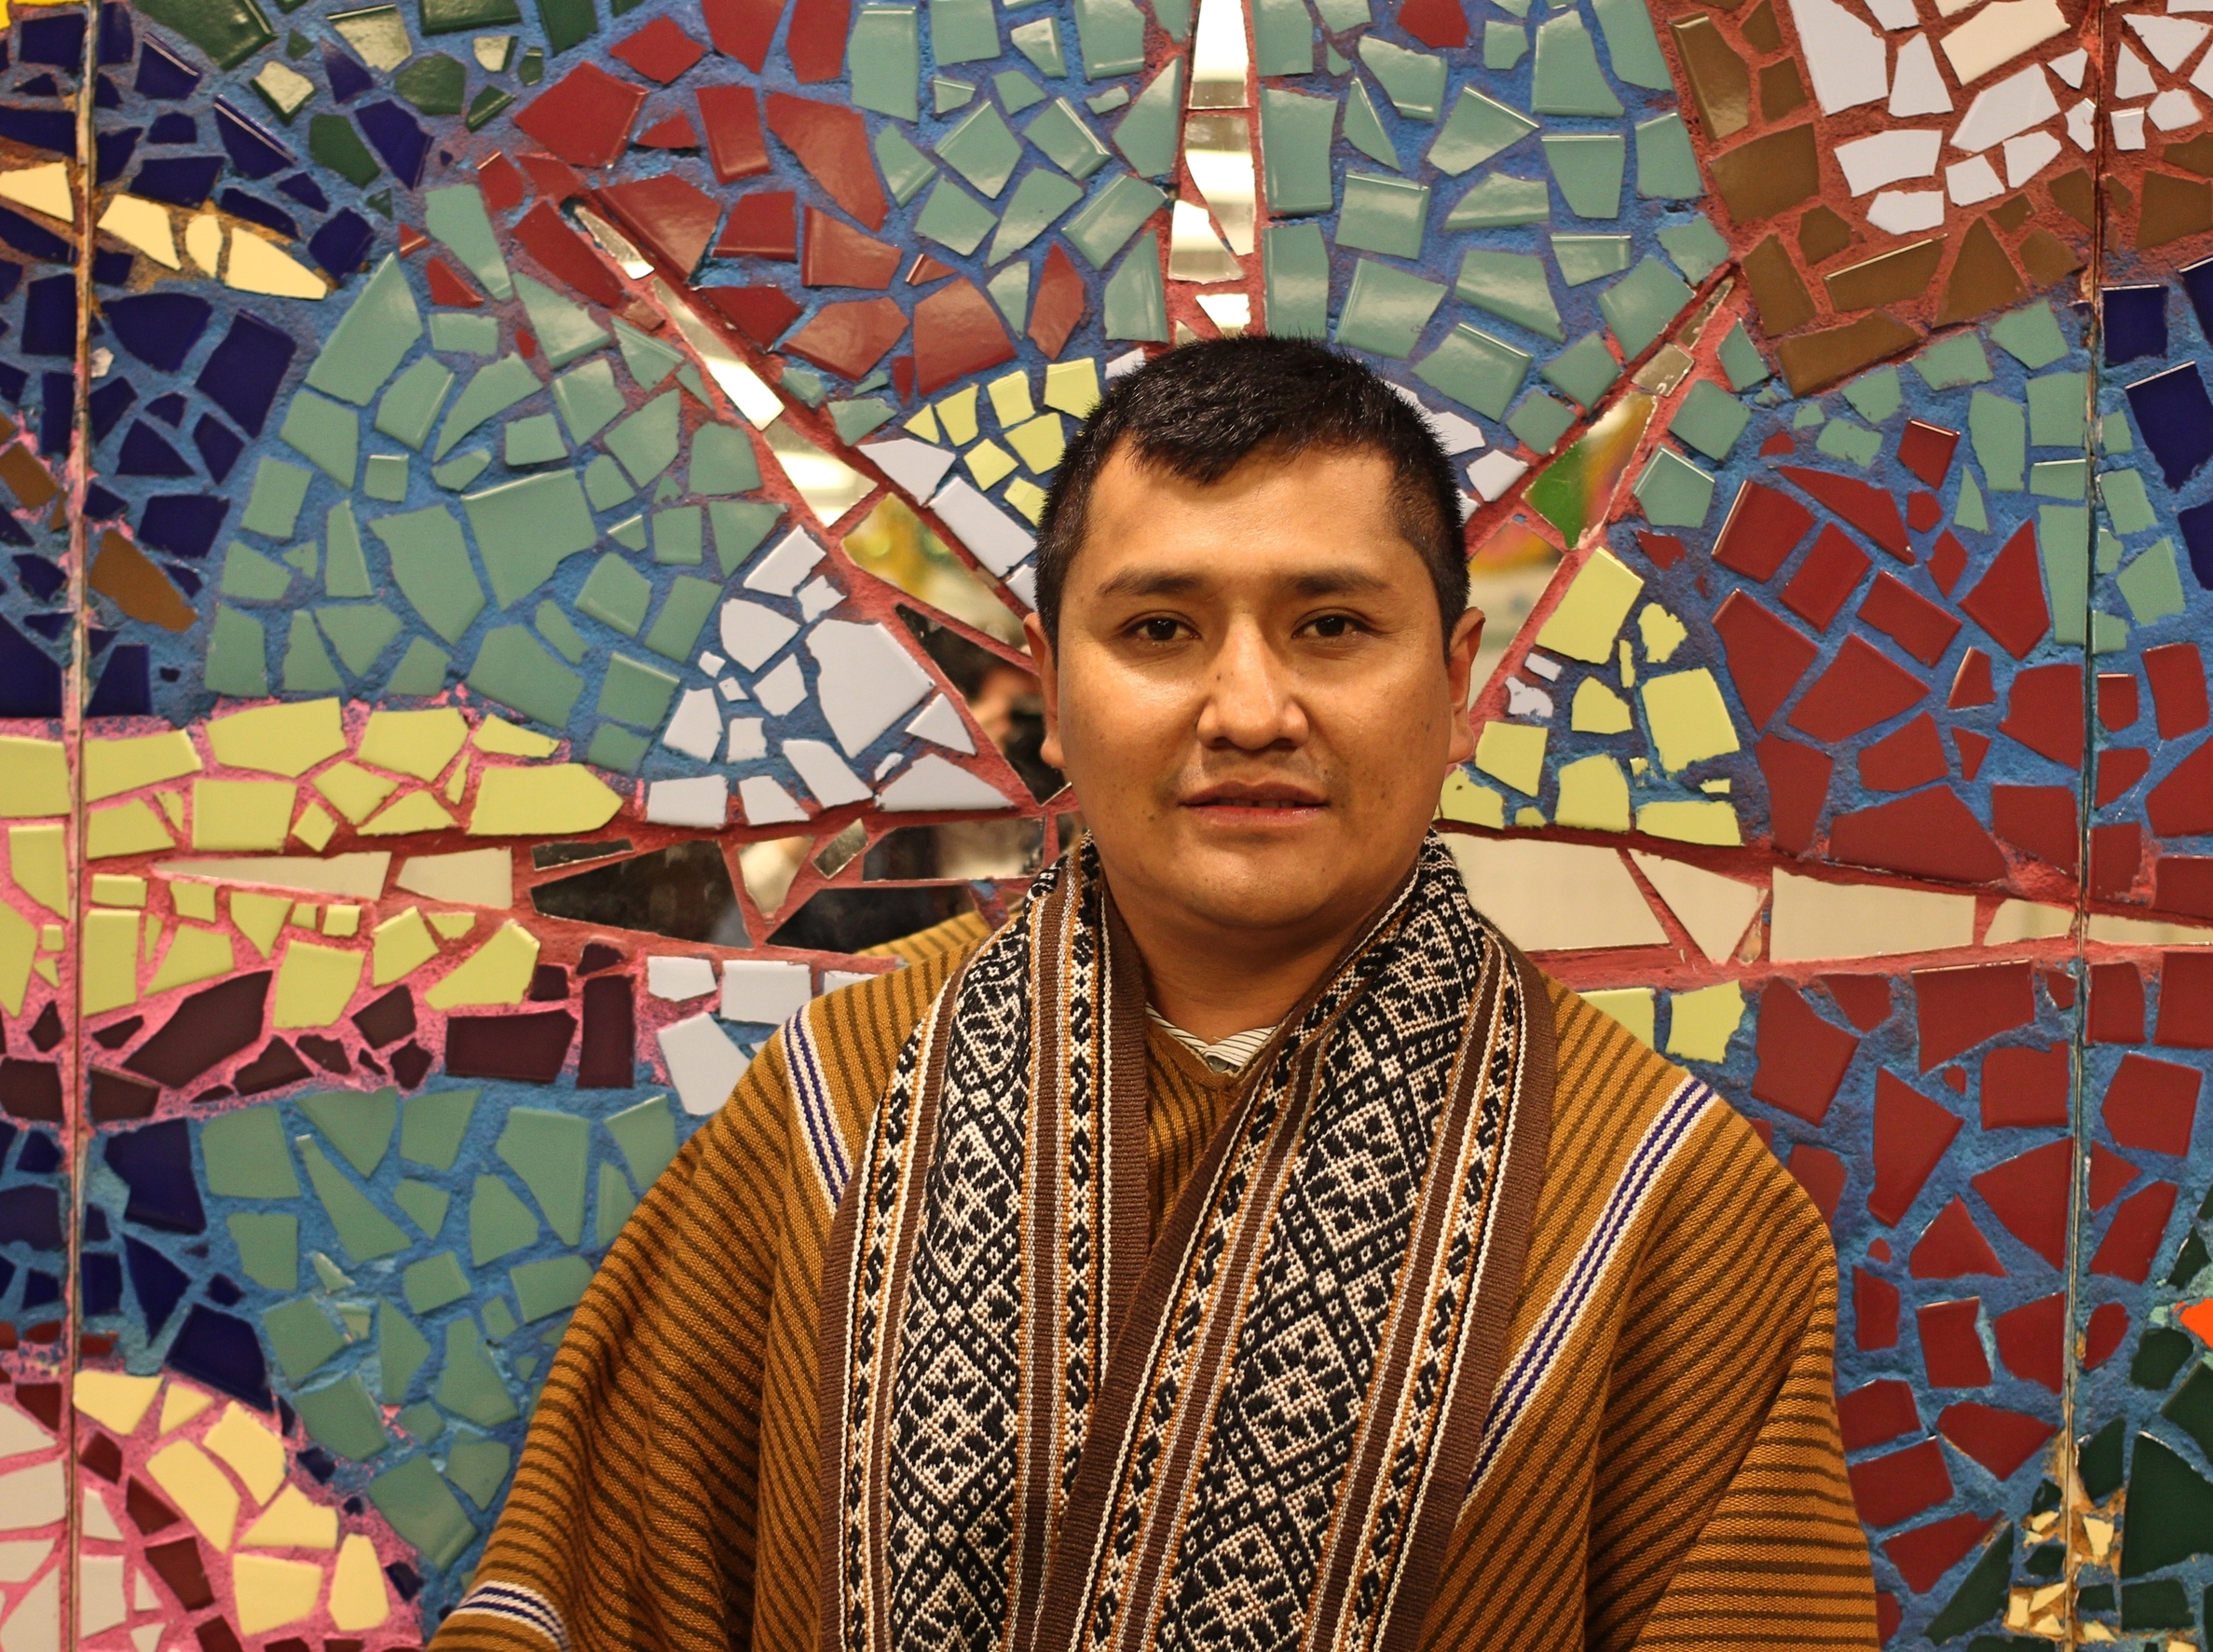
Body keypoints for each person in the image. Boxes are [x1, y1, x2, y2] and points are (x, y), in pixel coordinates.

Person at [432, 338, 1877, 1652]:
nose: (1250, 709)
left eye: (1329, 626)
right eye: (1162, 630)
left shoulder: (1676, 1205)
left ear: (1455, 681)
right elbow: (590, 1589)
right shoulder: (844, 1096)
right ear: (1053, 697)